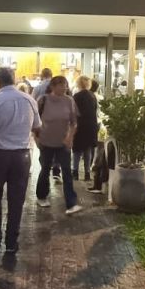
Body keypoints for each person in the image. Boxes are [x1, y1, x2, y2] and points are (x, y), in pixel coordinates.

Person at [0, 67, 41, 254]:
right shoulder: (29, 100)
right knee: (16, 200)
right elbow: (37, 126)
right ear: (14, 80)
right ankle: (11, 242)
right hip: (22, 155)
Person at [34, 76, 82, 214]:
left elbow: (74, 122)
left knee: (66, 171)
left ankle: (71, 203)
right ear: (53, 87)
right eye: (61, 85)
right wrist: (36, 139)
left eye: (65, 85)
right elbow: (35, 122)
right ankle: (42, 196)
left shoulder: (69, 101)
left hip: (63, 142)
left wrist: (70, 137)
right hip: (45, 141)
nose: (64, 88)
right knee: (45, 169)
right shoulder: (43, 100)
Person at [72, 75, 99, 183]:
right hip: (91, 125)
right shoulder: (92, 96)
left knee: (77, 150)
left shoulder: (76, 96)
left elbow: (74, 112)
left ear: (78, 83)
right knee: (87, 150)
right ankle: (87, 173)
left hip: (80, 125)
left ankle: (75, 172)